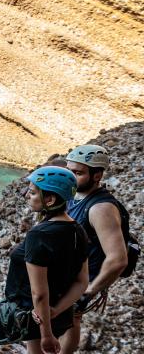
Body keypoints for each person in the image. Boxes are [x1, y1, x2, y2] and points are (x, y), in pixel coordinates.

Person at [0, 166, 89, 354]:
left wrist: (46, 333)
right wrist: (55, 311)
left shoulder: (39, 235)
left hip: (27, 316)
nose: (25, 195)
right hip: (59, 317)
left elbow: (39, 293)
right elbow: (82, 281)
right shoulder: (78, 230)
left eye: (32, 192)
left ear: (50, 199)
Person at [60, 144, 128, 354]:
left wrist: (87, 293)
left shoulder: (101, 208)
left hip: (80, 280)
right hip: (69, 274)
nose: (71, 177)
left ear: (97, 175)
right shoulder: (77, 194)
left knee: (70, 320)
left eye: (78, 173)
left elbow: (117, 259)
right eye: (69, 171)